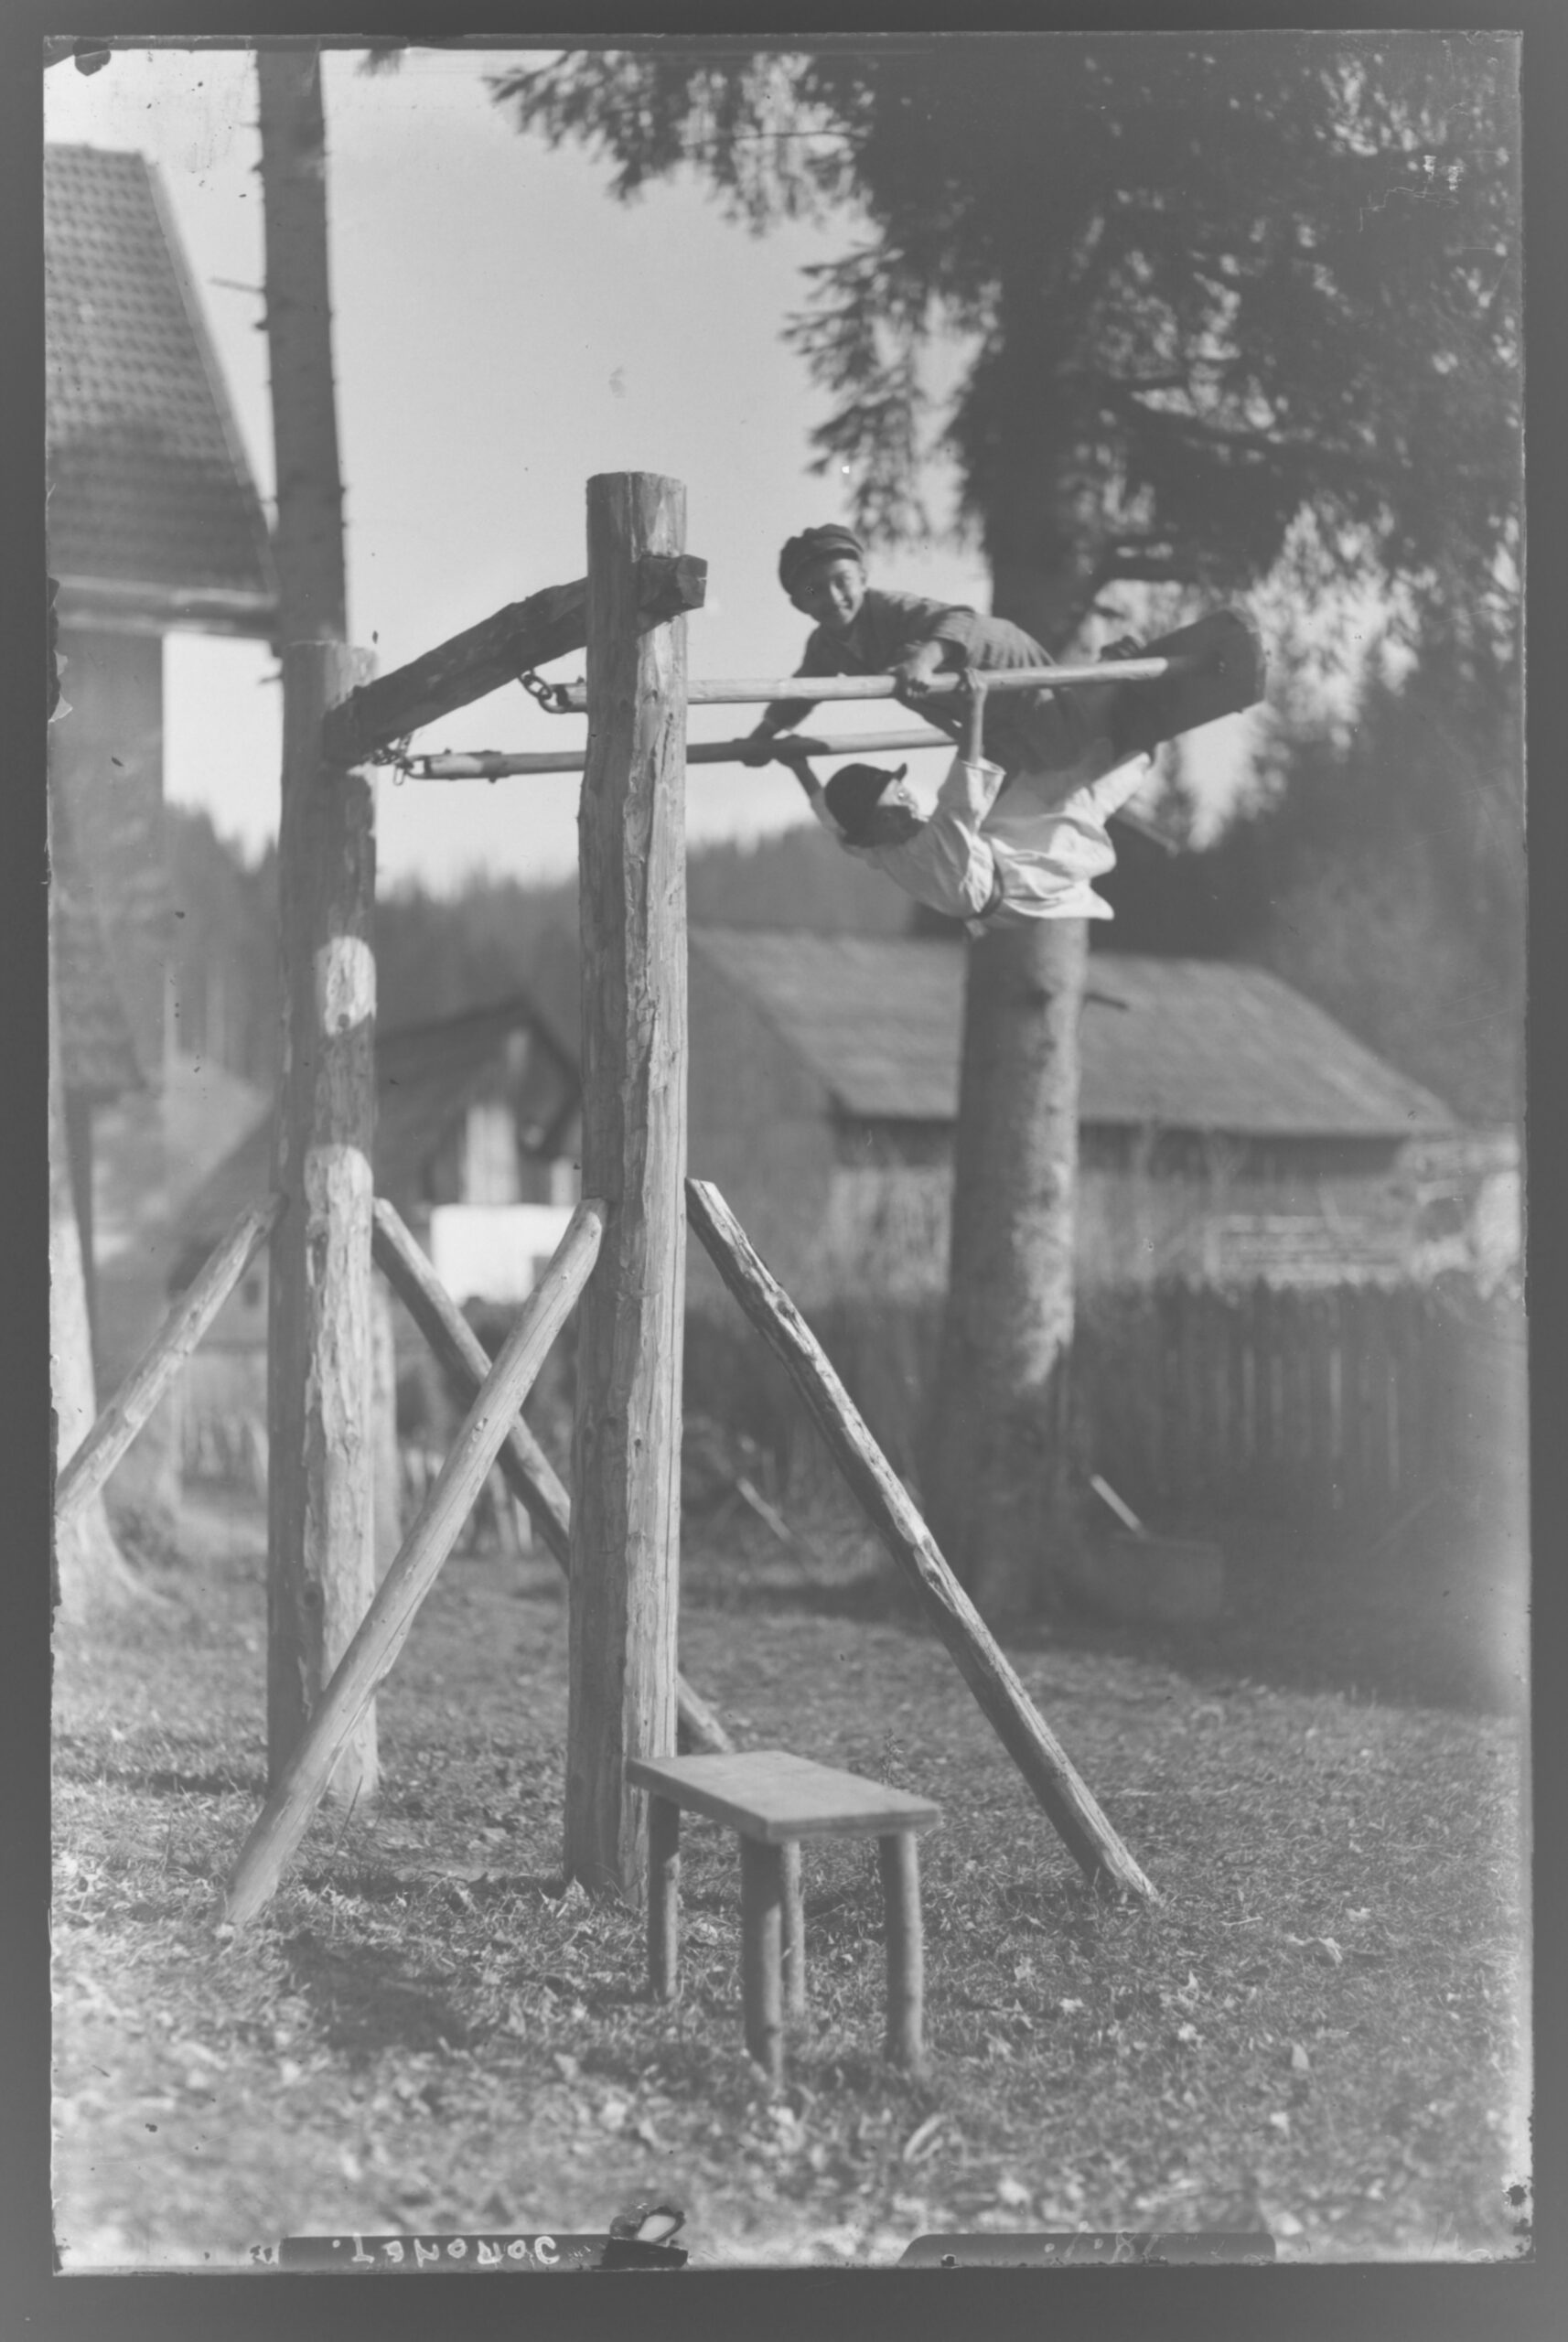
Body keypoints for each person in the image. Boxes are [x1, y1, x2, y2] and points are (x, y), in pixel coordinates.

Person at [740, 521, 1141, 780]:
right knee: (1029, 762)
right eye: (814, 590)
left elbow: (960, 620)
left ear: (862, 578)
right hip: (971, 700)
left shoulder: (890, 608)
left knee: (1068, 743)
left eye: (841, 581)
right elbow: (803, 691)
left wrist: (924, 659)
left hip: (997, 657)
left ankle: (1110, 670)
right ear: (799, 604)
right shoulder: (826, 647)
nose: (832, 597)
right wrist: (763, 735)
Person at [787, 669, 1154, 934]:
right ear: (871, 833)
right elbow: (965, 775)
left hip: (989, 855)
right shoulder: (933, 844)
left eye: (901, 794)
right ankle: (1147, 748)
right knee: (1080, 808)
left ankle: (1104, 696)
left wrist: (798, 765)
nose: (906, 809)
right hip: (1020, 889)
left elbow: (829, 816)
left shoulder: (876, 848)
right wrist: (975, 705)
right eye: (888, 816)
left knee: (1035, 783)